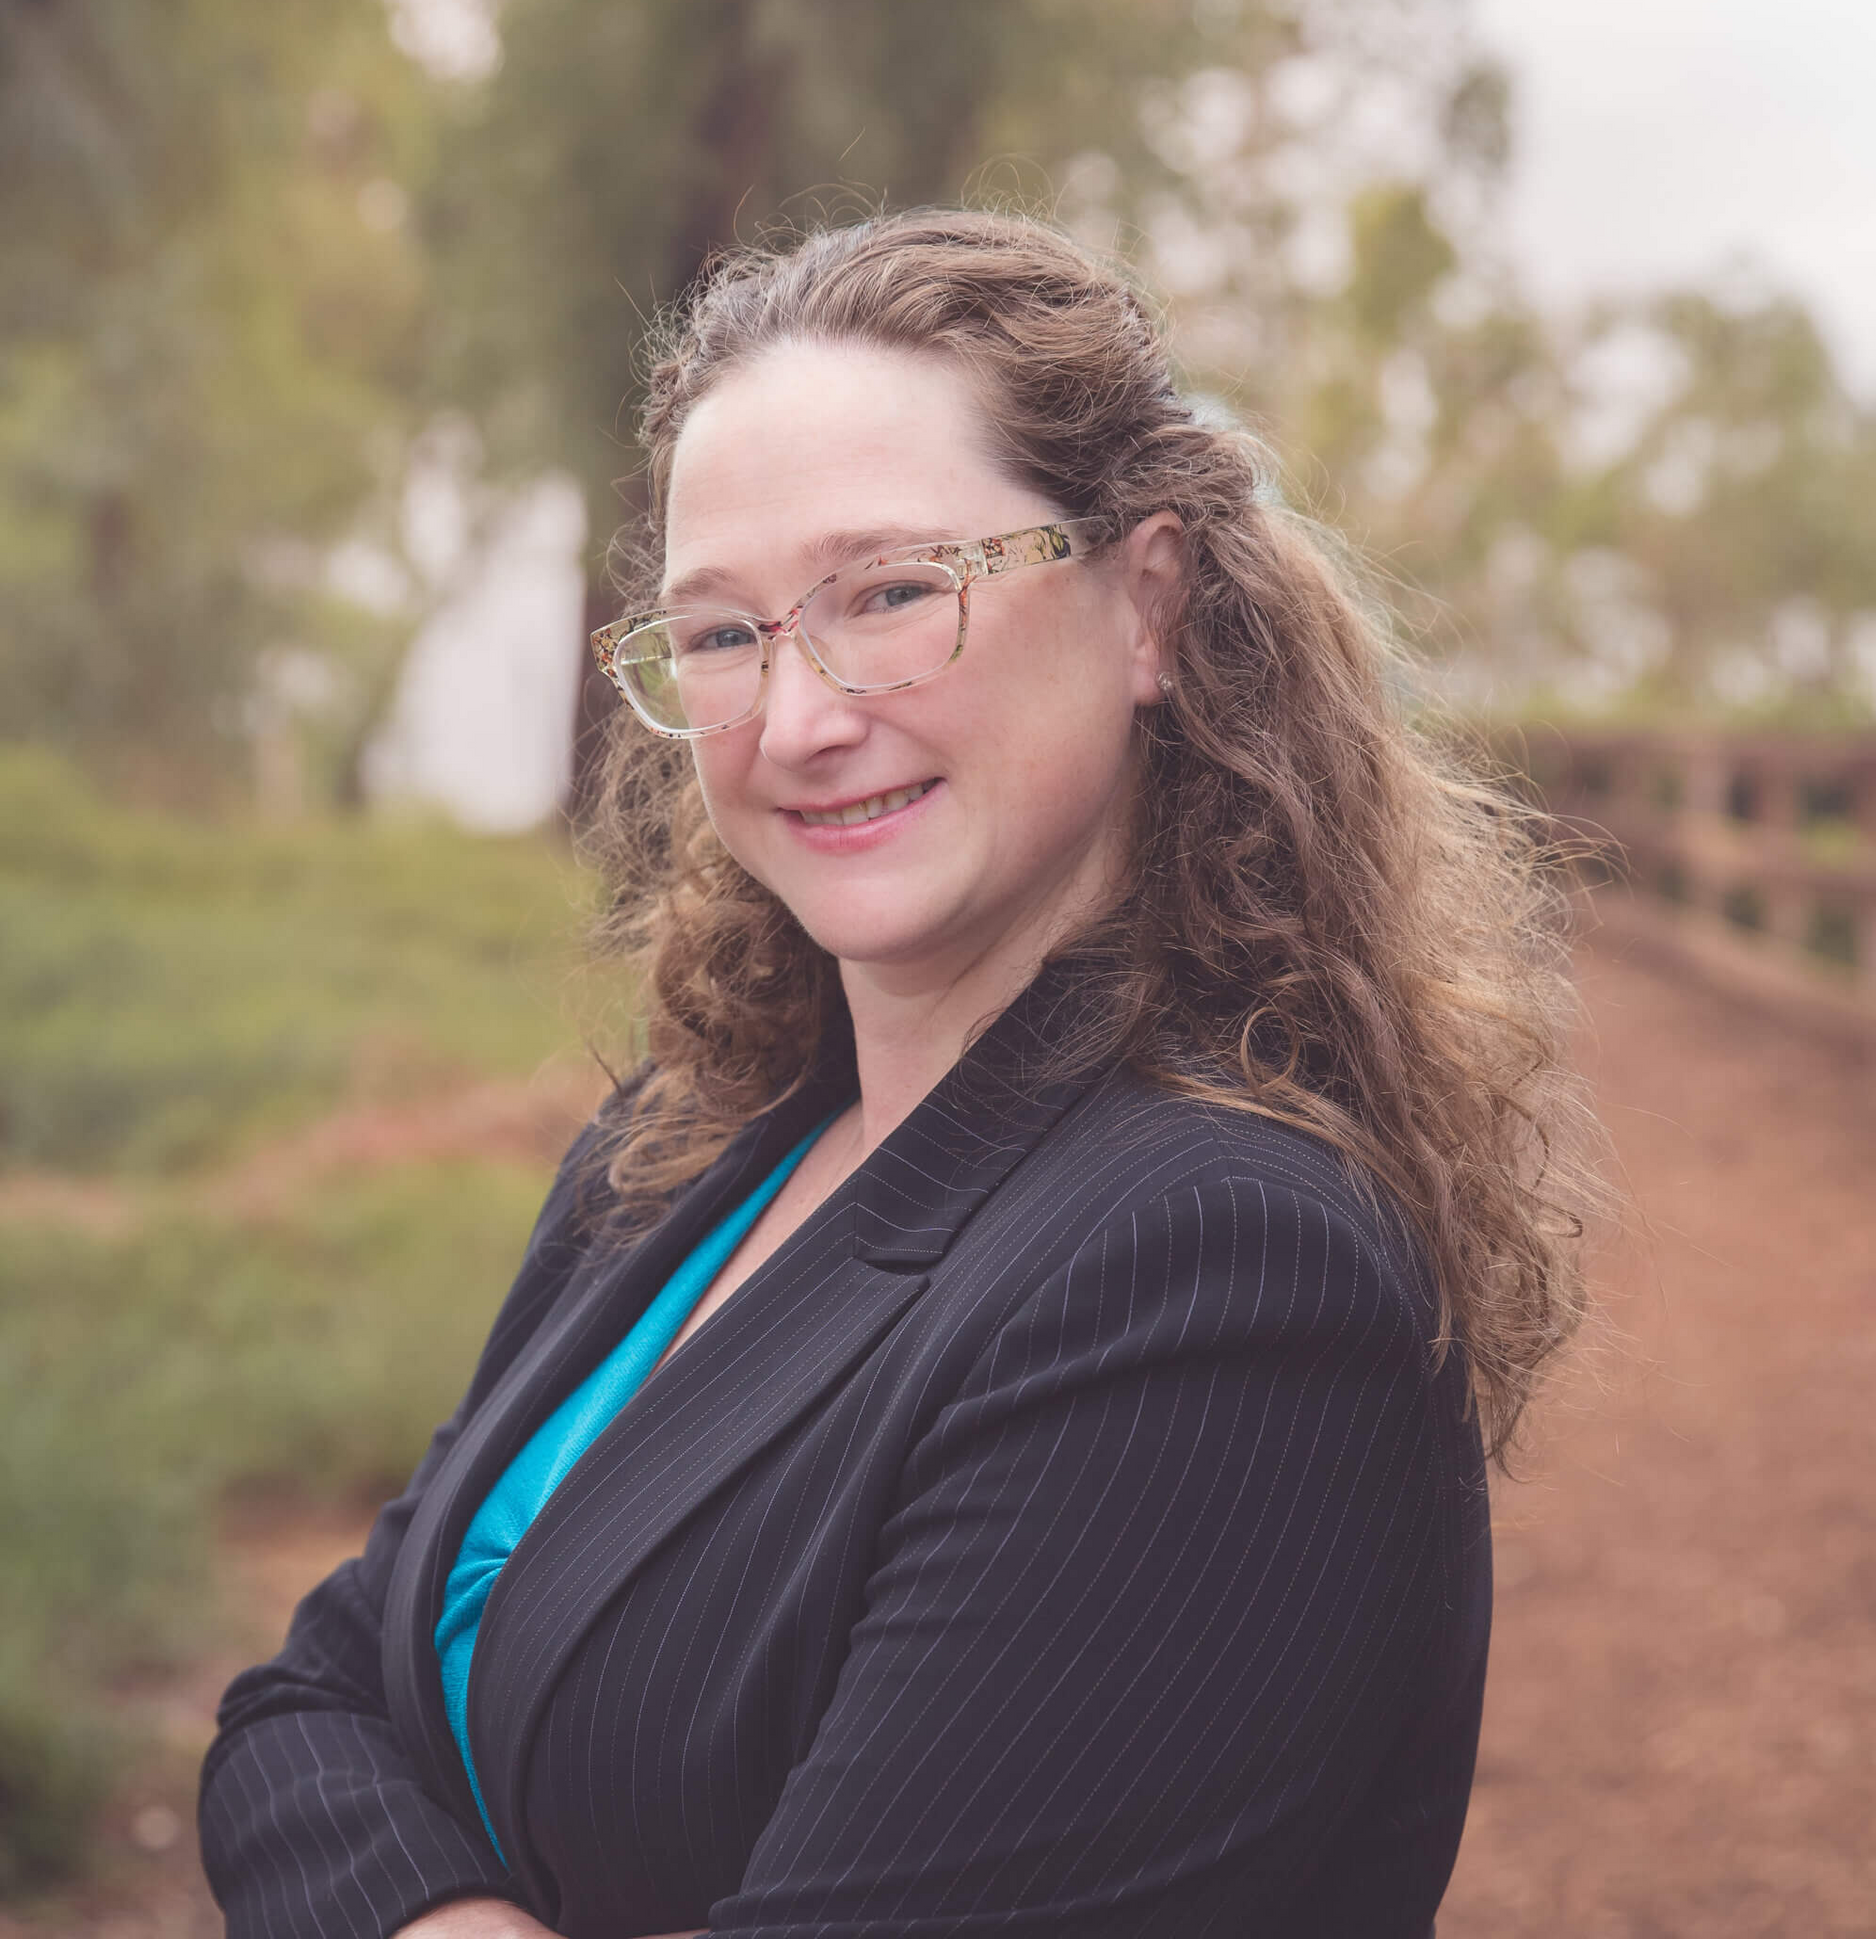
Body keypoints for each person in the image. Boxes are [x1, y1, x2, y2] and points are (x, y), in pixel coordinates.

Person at [199, 209, 1597, 1939]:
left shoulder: (1224, 1272)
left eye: (888, 594)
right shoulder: (683, 1147)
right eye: (720, 635)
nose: (795, 719)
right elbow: (305, 1702)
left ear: (1146, 604)